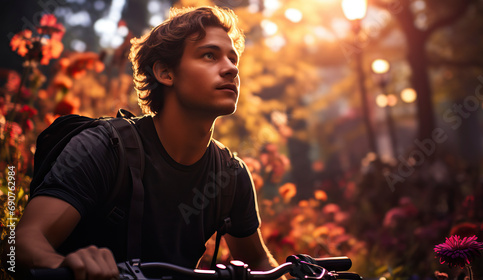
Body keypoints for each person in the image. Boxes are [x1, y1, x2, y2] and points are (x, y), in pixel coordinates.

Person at [6, 6, 285, 280]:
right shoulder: (103, 147)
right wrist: (65, 264)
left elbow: (259, 261)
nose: (231, 70)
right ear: (165, 73)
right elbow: (21, 244)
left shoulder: (230, 174)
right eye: (209, 55)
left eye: (233, 60)